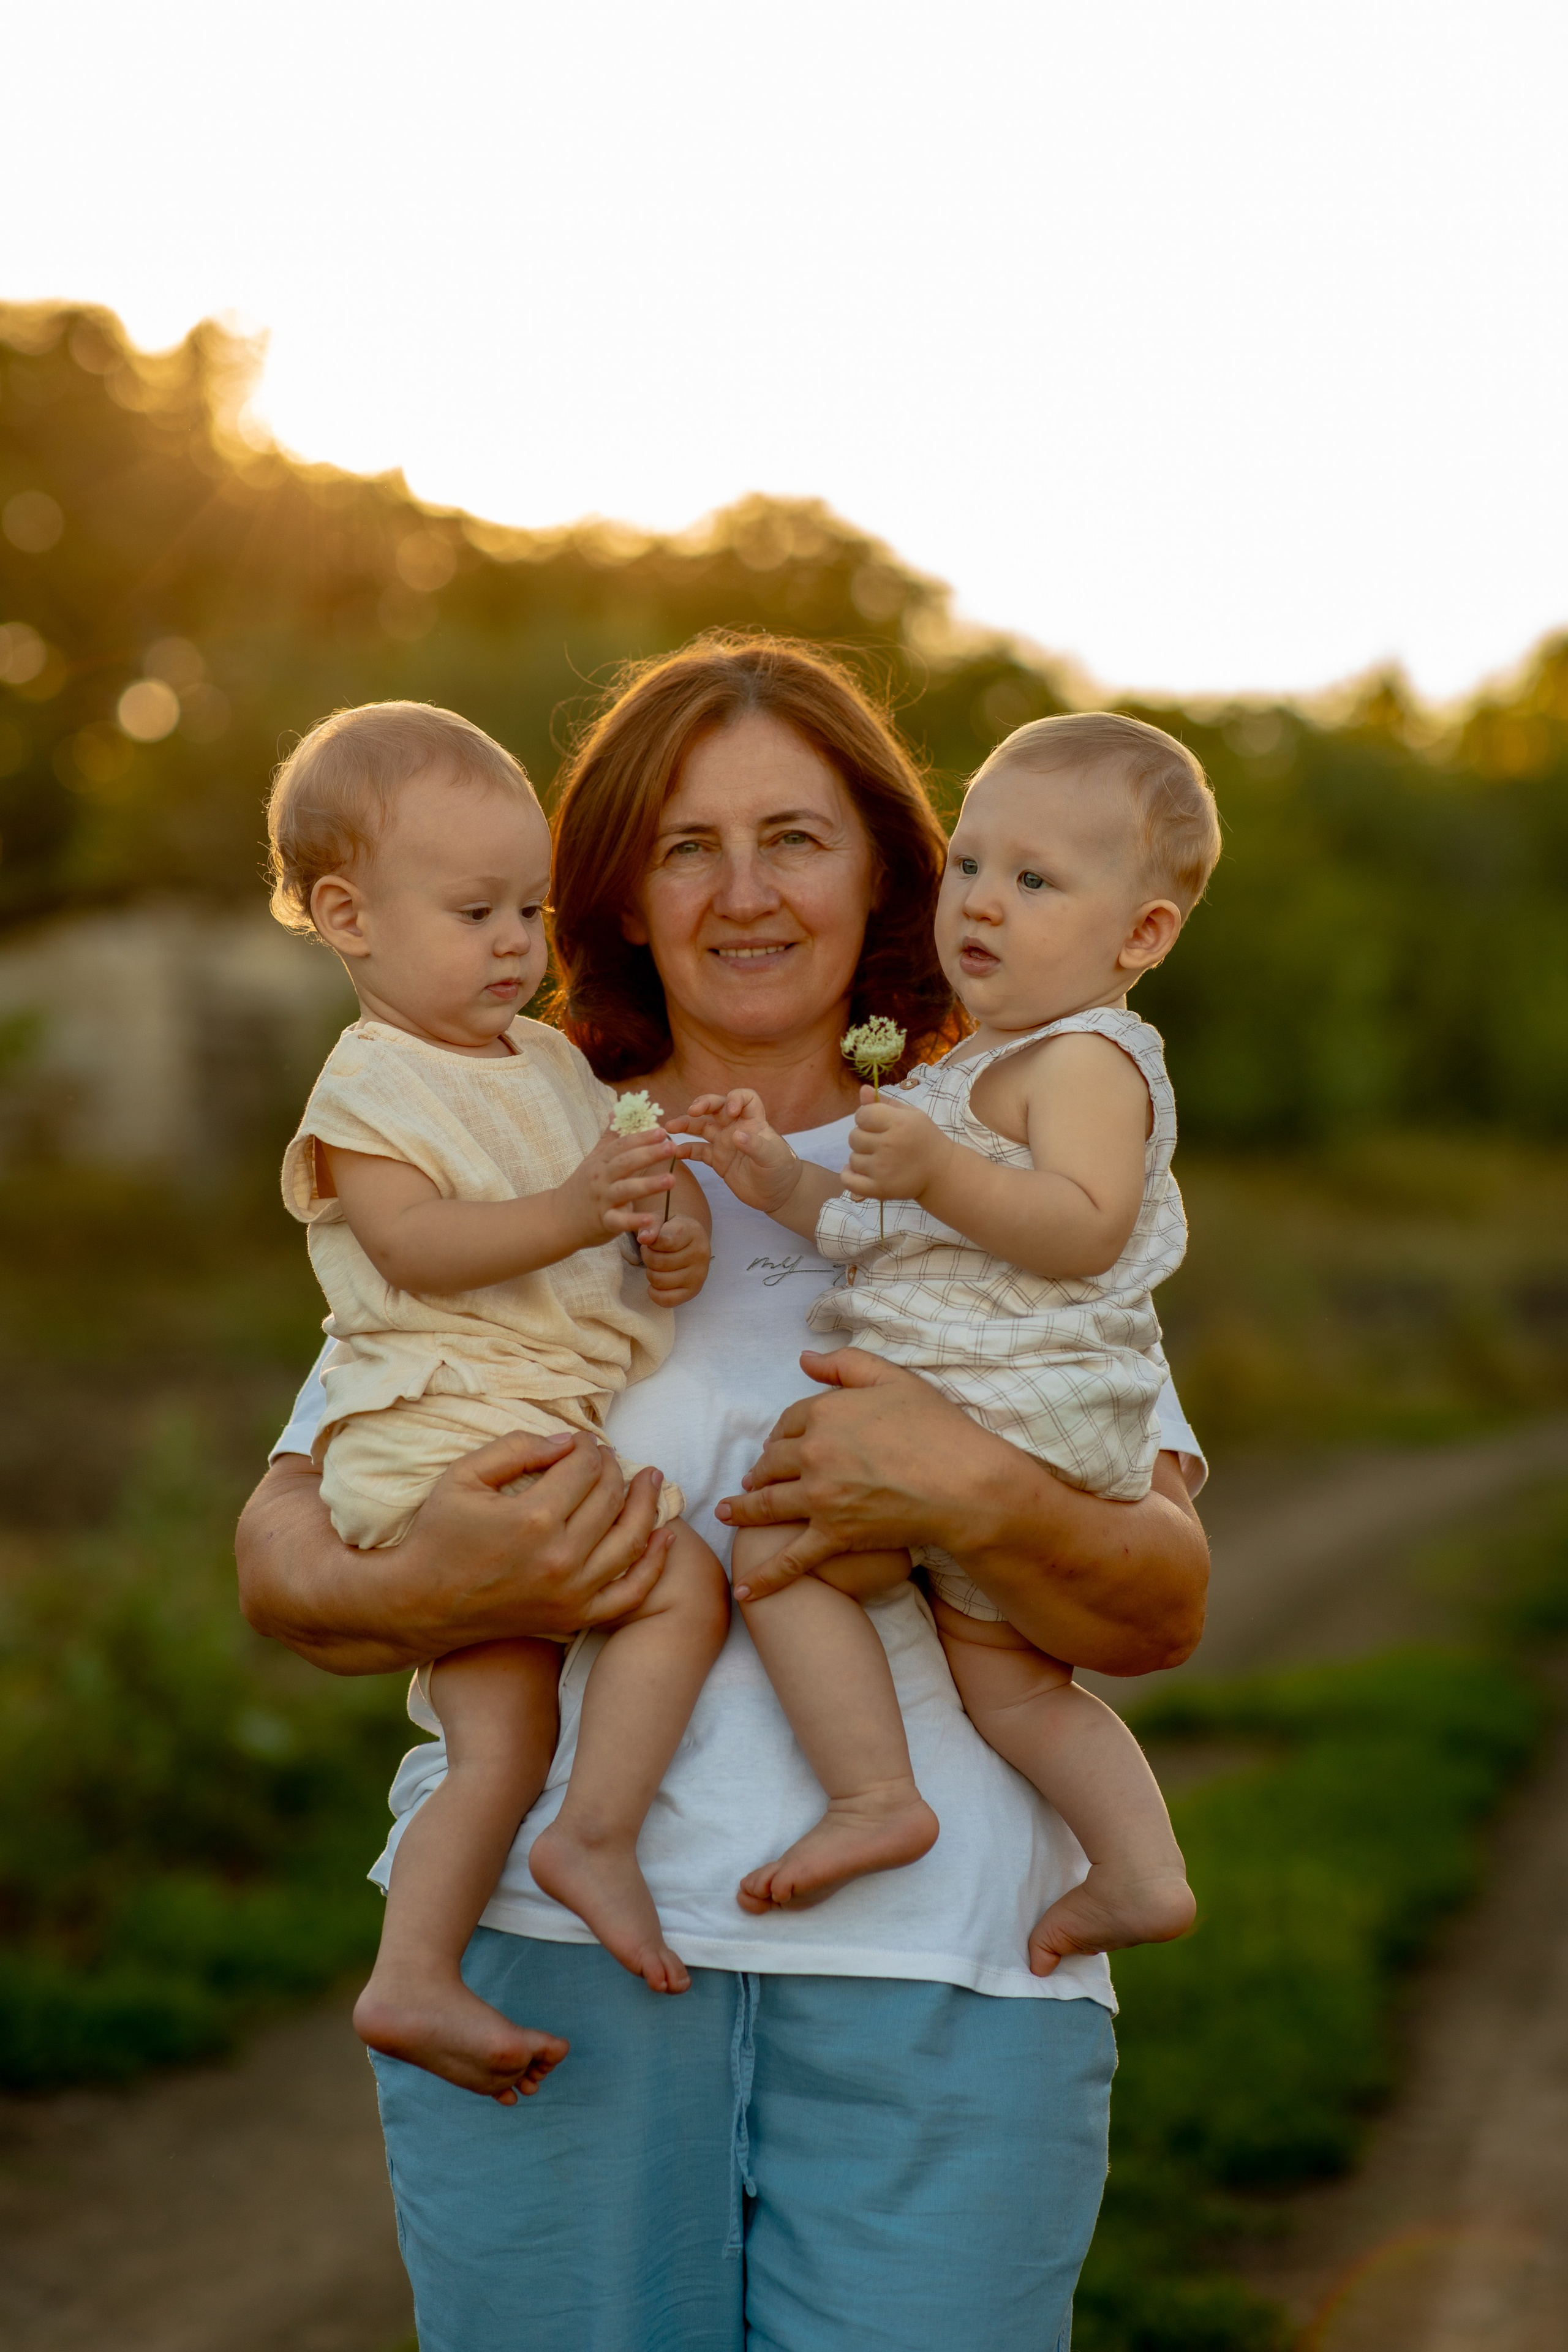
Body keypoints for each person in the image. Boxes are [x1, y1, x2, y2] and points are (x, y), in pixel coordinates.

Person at [236, 637, 1211, 2352]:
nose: (744, 893)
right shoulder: (524, 1144)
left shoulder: (994, 1168)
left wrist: (969, 1491)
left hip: (950, 1976)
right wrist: (435, 1581)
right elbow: (289, 1553)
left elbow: (1159, 1603)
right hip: (549, 1955)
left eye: (796, 840)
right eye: (689, 845)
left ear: (887, 876)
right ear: (617, 891)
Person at [678, 711, 1215, 1973]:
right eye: (969, 864)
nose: (980, 900)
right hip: (978, 1397)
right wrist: (777, 1182)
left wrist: (935, 1169)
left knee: (776, 1532)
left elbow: (1085, 1228)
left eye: (1034, 881)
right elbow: (888, 1232)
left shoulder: (1086, 1059)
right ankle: (1139, 1871)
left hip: (1013, 1406)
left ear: (1140, 935)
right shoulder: (972, 1069)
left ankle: (877, 1796)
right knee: (1012, 1685)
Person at [269, 701, 731, 2098]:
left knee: (508, 1728)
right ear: (348, 916)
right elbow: (416, 1249)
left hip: (522, 1417)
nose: (515, 945)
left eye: (528, 911)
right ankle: (571, 1853)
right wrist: (575, 1209)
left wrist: (665, 1234)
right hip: (442, 1429)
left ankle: (431, 1961)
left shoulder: (550, 1065)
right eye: (473, 913)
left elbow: (615, 1205)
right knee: (671, 1592)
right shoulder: (371, 1087)